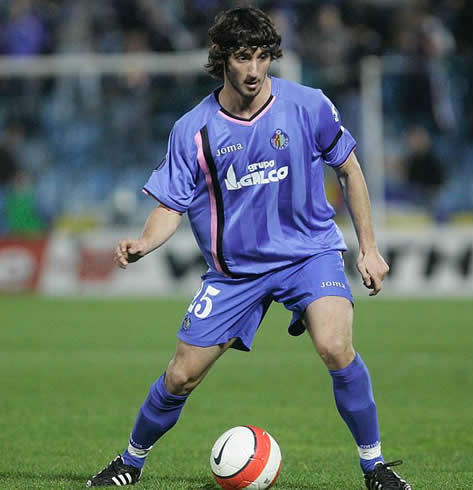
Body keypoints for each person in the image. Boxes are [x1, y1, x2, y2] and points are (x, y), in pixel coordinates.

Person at [87, 7, 412, 489]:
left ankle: (375, 467)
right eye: (243, 57)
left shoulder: (308, 105)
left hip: (309, 254)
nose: (255, 69)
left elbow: (349, 168)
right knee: (180, 376)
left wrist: (368, 247)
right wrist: (144, 243)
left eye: (263, 56)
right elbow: (170, 206)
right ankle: (130, 463)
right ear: (223, 60)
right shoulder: (194, 129)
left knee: (335, 345)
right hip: (235, 272)